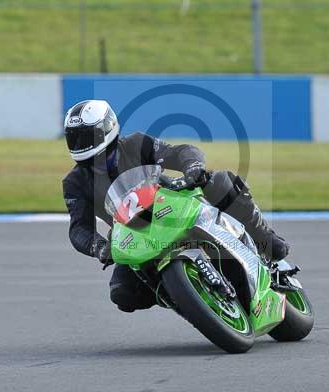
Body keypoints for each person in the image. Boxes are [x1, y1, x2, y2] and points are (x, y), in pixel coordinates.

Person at [61, 100, 289, 313]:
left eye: (86, 137)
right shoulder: (74, 183)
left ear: (107, 128)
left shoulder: (136, 144)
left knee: (219, 181)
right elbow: (79, 228)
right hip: (133, 233)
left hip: (171, 203)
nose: (80, 144)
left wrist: (193, 168)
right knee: (123, 293)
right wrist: (100, 247)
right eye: (75, 138)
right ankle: (185, 296)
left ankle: (265, 239)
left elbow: (179, 152)